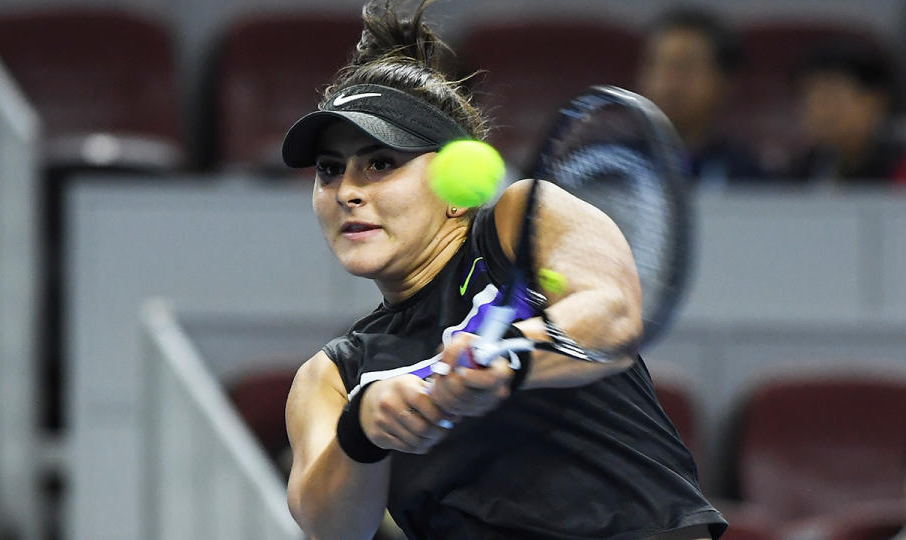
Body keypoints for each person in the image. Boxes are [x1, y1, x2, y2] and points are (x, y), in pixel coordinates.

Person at [282, 1, 727, 539]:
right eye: (330, 171)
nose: (348, 192)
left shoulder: (522, 221)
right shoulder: (331, 376)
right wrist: (362, 431)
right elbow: (329, 528)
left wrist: (510, 357)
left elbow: (612, 316)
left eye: (381, 163)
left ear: (451, 184)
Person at [637, 7, 766, 188]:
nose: (668, 81)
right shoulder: (609, 162)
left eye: (685, 67)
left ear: (726, 82)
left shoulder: (747, 174)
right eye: (657, 64)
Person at [790, 39, 906, 185]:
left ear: (876, 100)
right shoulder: (804, 167)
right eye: (809, 97)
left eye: (831, 96)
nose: (818, 111)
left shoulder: (900, 167)